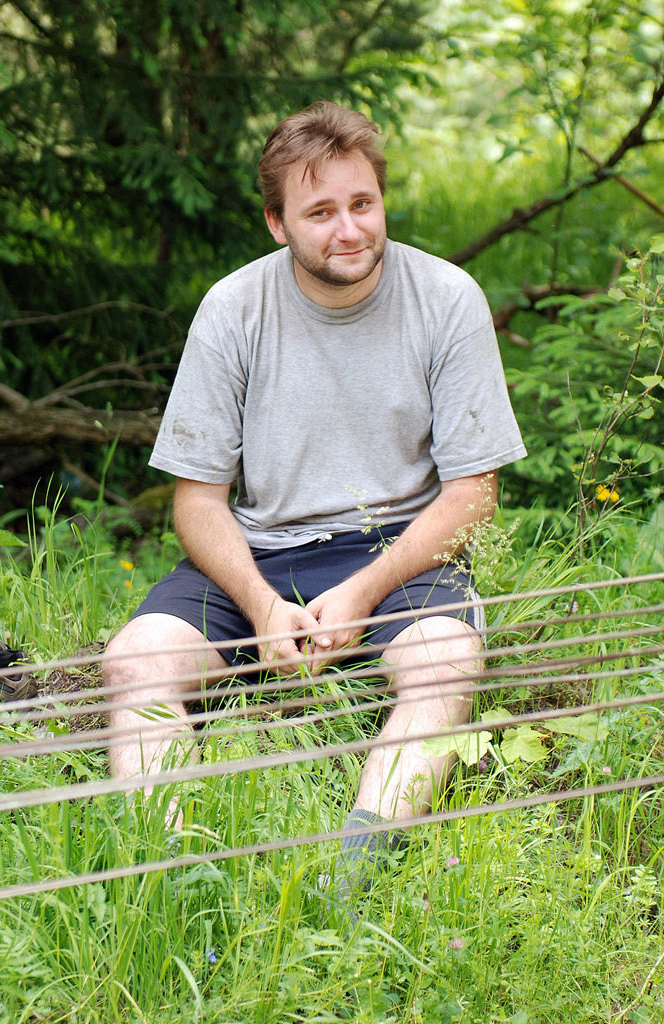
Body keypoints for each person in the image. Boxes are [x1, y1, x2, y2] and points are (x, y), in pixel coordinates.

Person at [103, 100, 526, 897]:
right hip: (259, 553)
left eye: (362, 203)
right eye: (320, 212)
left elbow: (472, 494)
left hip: (397, 552)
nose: (349, 230)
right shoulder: (233, 309)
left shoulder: (446, 296)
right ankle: (177, 882)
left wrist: (362, 593)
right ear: (276, 224)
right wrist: (262, 606)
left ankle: (352, 877)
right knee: (134, 662)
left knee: (445, 664)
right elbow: (197, 502)